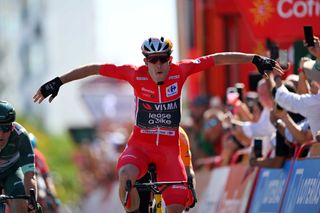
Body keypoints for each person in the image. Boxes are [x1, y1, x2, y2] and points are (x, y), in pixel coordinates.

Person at [33, 37, 282, 213]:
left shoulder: (180, 70)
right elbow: (95, 69)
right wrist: (58, 81)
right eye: (153, 60)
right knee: (126, 176)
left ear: (169, 59)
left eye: (163, 59)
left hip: (169, 150)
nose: (159, 65)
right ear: (146, 61)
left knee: (175, 206)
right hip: (139, 146)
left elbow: (217, 59)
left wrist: (255, 59)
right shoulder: (134, 73)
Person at [0, 100, 38, 213]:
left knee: (21, 200)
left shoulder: (21, 136)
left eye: (6, 128)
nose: (1, 134)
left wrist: (32, 201)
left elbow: (29, 175)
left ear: (12, 127)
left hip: (12, 172)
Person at [29, 133, 60, 213]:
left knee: (52, 199)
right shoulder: (18, 155)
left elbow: (46, 176)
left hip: (38, 179)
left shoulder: (39, 156)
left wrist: (53, 194)